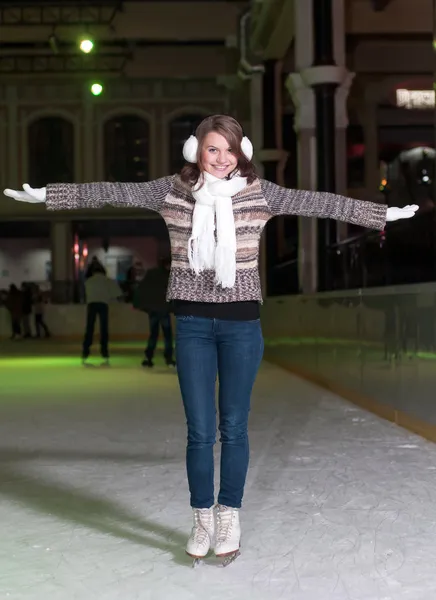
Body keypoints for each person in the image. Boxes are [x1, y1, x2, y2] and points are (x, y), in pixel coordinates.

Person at [3, 115, 418, 564]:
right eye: (212, 149)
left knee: (234, 428)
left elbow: (318, 202)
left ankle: (229, 515)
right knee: (200, 432)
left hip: (242, 325)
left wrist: (381, 213)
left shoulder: (260, 193)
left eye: (229, 149)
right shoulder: (172, 190)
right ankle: (201, 518)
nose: (221, 158)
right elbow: (111, 190)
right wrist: (48, 196)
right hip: (194, 325)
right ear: (196, 150)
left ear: (242, 152)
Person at [133, 257, 175, 367]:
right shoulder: (168, 276)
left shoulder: (151, 274)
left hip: (153, 310)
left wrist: (140, 305)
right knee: (167, 335)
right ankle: (169, 358)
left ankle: (148, 357)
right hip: (163, 309)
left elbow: (142, 289)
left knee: (153, 334)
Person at [82, 264, 122, 366]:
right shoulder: (107, 281)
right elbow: (117, 294)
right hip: (103, 304)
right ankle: (104, 353)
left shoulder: (88, 281)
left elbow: (85, 294)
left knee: (90, 328)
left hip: (91, 304)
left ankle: (85, 352)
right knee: (104, 328)